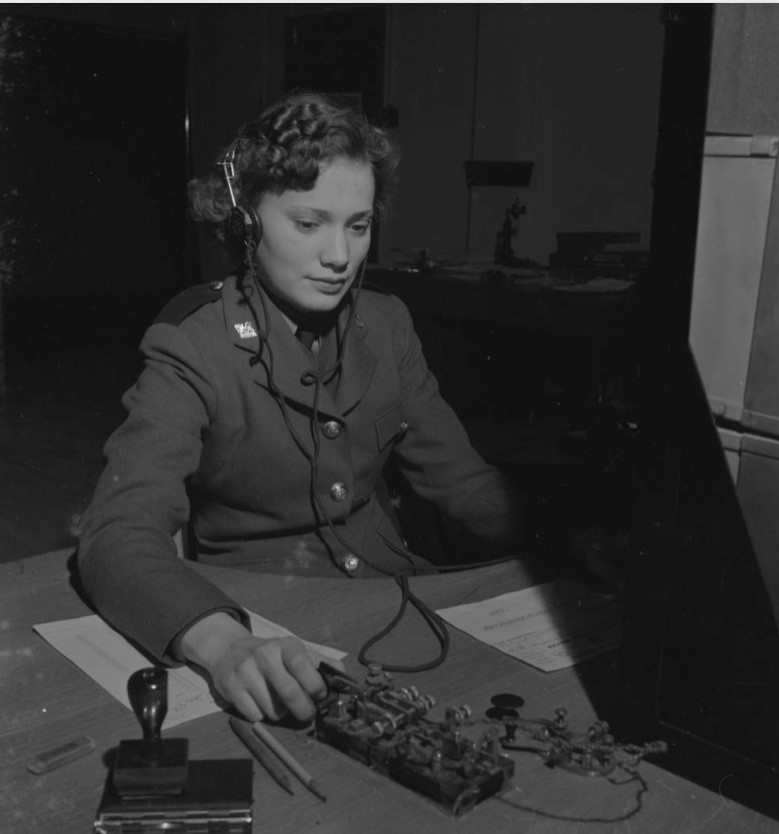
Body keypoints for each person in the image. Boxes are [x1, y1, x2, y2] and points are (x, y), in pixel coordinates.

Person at [76, 90, 524, 728]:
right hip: (266, 626)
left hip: (399, 606)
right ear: (245, 224)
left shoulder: (388, 324)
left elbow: (461, 480)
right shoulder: (194, 342)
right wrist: (224, 644)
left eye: (359, 225)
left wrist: (567, 541)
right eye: (309, 224)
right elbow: (115, 532)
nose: (340, 256)